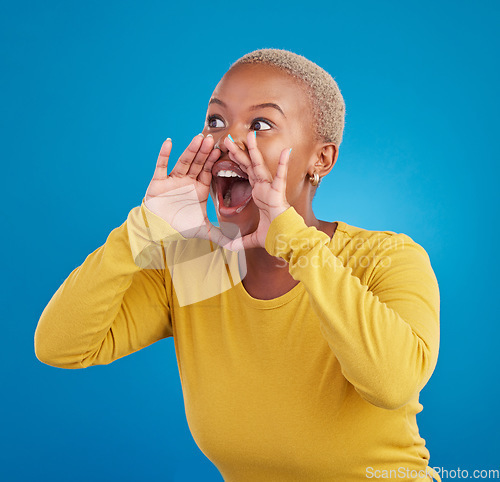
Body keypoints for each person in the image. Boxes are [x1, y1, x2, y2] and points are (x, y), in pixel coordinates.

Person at [34, 48, 441, 481]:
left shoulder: (385, 259)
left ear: (320, 159)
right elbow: (60, 346)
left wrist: (298, 245)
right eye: (216, 121)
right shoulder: (194, 268)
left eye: (260, 124)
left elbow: (393, 383)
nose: (227, 141)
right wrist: (140, 231)